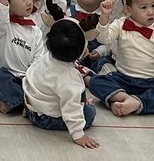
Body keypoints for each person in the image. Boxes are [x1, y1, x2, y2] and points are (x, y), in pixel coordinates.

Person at [88, 0, 154, 116]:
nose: (151, 11)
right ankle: (128, 100)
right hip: (122, 78)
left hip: (150, 82)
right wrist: (104, 17)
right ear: (128, 10)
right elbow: (103, 39)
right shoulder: (120, 24)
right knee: (95, 82)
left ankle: (126, 101)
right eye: (144, 7)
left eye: (153, 5)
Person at [22, 19, 100, 149]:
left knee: (72, 95)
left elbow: (30, 75)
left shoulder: (46, 57)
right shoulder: (69, 78)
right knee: (89, 113)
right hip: (44, 117)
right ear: (80, 52)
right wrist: (78, 135)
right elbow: (71, 109)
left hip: (30, 105)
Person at [0, 0, 45, 115]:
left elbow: (38, 61)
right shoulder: (2, 26)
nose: (29, 2)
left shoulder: (35, 30)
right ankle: (26, 103)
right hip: (5, 78)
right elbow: (1, 12)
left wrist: (32, 82)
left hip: (26, 80)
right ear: (8, 1)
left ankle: (17, 102)